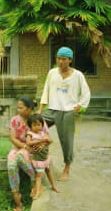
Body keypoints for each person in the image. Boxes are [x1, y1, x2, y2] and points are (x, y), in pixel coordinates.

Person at [38, 47, 91, 182]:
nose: (60, 62)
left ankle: (66, 169)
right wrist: (40, 109)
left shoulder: (77, 75)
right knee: (34, 125)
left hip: (67, 112)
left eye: (63, 59)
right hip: (52, 110)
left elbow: (86, 93)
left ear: (70, 60)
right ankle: (38, 156)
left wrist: (77, 107)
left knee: (67, 141)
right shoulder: (52, 73)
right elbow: (46, 90)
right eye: (58, 58)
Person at [7, 96, 42, 211]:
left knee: (21, 157)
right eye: (18, 107)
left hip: (32, 148)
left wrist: (29, 148)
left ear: (28, 109)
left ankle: (36, 180)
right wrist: (24, 147)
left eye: (21, 108)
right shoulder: (14, 120)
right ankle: (17, 198)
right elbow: (12, 138)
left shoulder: (36, 120)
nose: (18, 110)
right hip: (19, 147)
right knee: (11, 164)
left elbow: (43, 136)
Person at [23, 113, 59, 199]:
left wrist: (45, 142)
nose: (37, 127)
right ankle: (37, 192)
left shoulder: (42, 133)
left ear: (42, 125)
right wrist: (41, 141)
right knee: (39, 176)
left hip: (45, 156)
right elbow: (28, 143)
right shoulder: (30, 134)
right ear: (30, 126)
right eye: (34, 125)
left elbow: (50, 142)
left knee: (48, 171)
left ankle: (53, 186)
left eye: (39, 125)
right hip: (38, 158)